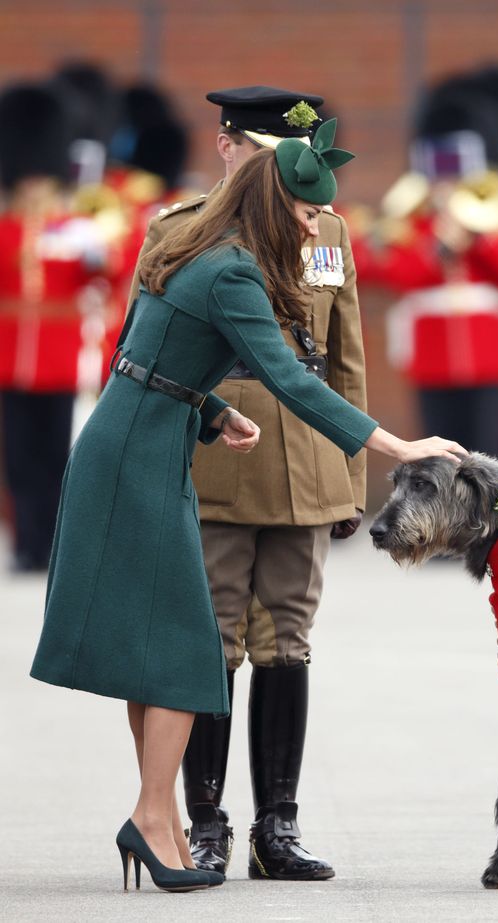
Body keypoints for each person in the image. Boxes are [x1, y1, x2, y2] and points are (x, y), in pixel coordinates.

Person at [30, 119, 463, 893]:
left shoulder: (196, 246)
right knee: (188, 647)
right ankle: (159, 817)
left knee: (156, 646)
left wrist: (207, 410)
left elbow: (140, 353)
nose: (313, 226)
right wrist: (396, 448)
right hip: (140, 455)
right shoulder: (233, 271)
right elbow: (292, 380)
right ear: (272, 205)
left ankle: (155, 816)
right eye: (302, 214)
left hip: (141, 438)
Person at [123, 85, 370, 881]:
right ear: (226, 146)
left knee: (289, 641)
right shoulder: (181, 230)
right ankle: (204, 821)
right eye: (263, 154)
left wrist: (350, 473)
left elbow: (344, 357)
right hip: (222, 452)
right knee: (214, 640)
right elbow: (144, 355)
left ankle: (278, 825)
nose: (281, 175)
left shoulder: (326, 228)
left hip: (305, 459)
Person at [358, 65, 498, 468]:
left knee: (495, 459)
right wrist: (438, 248)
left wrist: (479, 238)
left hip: (495, 353)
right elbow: (395, 273)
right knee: (441, 463)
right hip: (431, 356)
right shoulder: (415, 209)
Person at [0, 81, 117, 572]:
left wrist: (96, 251)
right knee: (18, 460)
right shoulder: (5, 229)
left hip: (60, 359)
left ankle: (50, 543)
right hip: (10, 360)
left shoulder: (74, 229)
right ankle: (26, 542)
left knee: (55, 458)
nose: (34, 189)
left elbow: (106, 278)